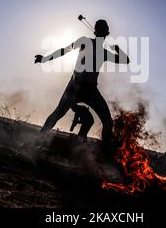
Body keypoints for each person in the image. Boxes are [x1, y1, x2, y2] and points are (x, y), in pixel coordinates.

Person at [35, 19, 129, 150]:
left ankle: (105, 154)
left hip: (89, 89)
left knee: (107, 121)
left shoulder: (104, 52)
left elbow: (126, 60)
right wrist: (45, 59)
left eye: (103, 30)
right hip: (75, 87)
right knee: (58, 113)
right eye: (100, 30)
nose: (101, 32)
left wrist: (118, 50)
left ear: (102, 32)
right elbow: (64, 50)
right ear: (100, 32)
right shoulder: (86, 42)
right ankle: (37, 141)